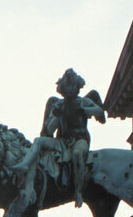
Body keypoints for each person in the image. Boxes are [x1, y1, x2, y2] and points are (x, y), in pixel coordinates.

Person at [13, 68, 106, 208]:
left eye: (72, 86)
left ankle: (79, 191)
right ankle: (25, 165)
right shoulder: (58, 105)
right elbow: (49, 130)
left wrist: (86, 110)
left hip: (79, 139)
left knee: (77, 154)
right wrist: (57, 116)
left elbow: (99, 110)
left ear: (77, 87)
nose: (69, 89)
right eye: (67, 86)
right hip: (61, 141)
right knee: (39, 142)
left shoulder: (84, 101)